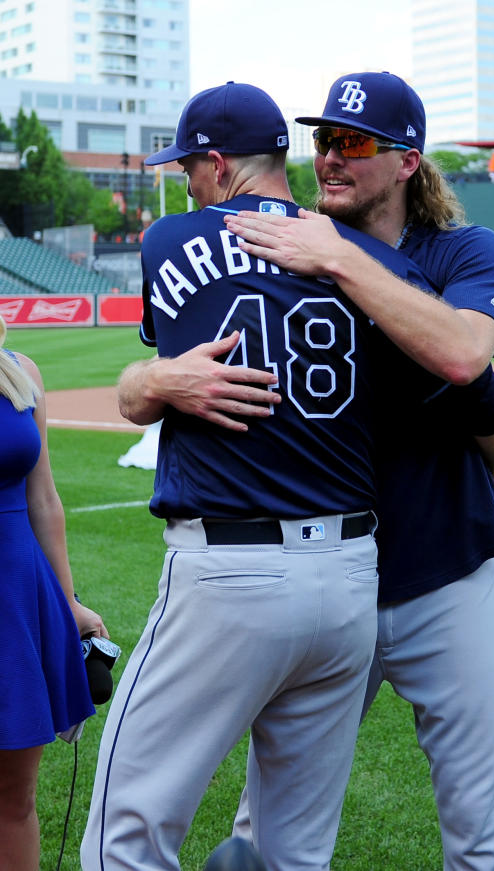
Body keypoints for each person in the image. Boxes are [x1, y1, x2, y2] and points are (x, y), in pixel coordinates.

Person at [80, 82, 439, 871]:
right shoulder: (367, 258)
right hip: (348, 581)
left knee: (123, 836)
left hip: (230, 572)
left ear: (217, 163)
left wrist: (153, 380)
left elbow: (150, 380)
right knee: (292, 854)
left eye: (189, 168)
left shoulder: (172, 240)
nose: (186, 182)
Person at [223, 72, 494, 871]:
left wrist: (343, 262)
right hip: (325, 581)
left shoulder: (462, 250)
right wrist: (142, 384)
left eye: (352, 143)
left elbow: (462, 355)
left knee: (480, 834)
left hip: (447, 574)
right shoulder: (290, 248)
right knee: (267, 830)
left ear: (408, 161)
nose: (330, 159)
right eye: (323, 141)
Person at [0, 315, 108, 871]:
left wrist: (67, 605)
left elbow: (44, 501)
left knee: (14, 802)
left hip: (16, 599)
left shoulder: (18, 372)